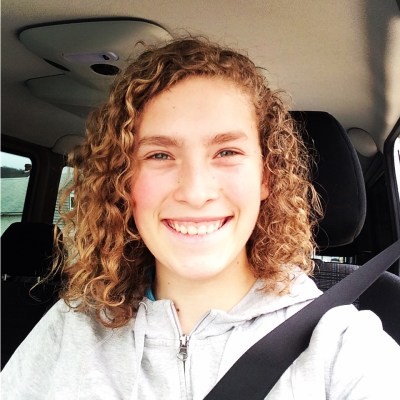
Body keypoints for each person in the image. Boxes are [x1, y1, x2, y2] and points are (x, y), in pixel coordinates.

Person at [2, 37, 399, 399]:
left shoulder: (341, 346)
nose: (194, 192)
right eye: (160, 155)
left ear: (266, 176)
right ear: (124, 181)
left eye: (226, 152)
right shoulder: (71, 328)